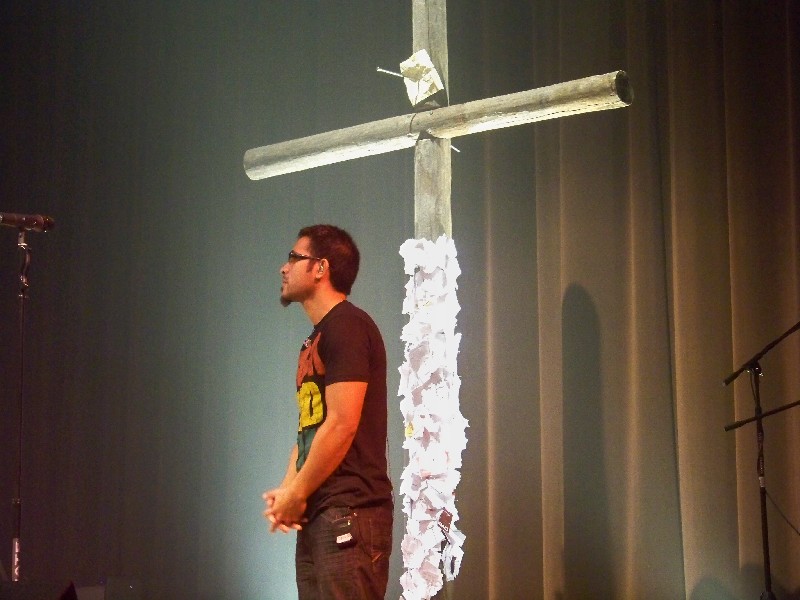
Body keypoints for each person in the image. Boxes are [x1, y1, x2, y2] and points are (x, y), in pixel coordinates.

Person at [263, 224, 393, 599]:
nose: (284, 267)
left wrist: (297, 492)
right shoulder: (315, 339)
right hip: (321, 513)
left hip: (350, 509)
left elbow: (340, 424)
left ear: (320, 268)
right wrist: (289, 491)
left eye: (294, 257)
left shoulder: (348, 326)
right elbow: (309, 429)